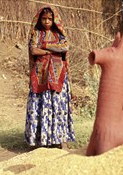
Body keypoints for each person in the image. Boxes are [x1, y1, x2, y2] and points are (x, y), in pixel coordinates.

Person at [25, 5, 75, 149]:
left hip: (58, 75)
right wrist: (51, 51)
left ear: (54, 20)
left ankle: (59, 140)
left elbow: (65, 47)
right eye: (44, 19)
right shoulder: (36, 33)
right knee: (39, 105)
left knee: (58, 106)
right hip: (40, 76)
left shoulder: (59, 34)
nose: (47, 22)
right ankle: (38, 141)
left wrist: (45, 46)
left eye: (50, 19)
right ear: (40, 19)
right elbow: (33, 50)